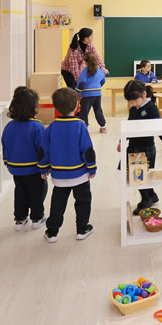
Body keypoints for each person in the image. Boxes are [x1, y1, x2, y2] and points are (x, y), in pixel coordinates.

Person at [39, 88, 96, 243]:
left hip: (59, 176)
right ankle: (82, 229)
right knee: (83, 202)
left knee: (57, 205)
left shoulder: (51, 127)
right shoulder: (80, 125)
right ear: (77, 105)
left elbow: (44, 150)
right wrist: (92, 168)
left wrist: (43, 168)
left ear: (56, 107)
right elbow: (87, 150)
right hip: (80, 175)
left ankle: (52, 232)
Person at [117, 80, 162, 214]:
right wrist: (122, 141)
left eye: (135, 101)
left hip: (146, 148)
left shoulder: (151, 108)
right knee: (136, 174)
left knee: (139, 177)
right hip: (134, 147)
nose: (133, 104)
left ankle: (146, 200)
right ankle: (151, 195)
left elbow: (158, 126)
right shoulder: (133, 109)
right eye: (130, 102)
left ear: (143, 94)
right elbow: (129, 126)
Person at [1, 86, 47, 231]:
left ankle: (20, 220)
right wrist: (45, 167)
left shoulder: (9, 126)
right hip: (34, 169)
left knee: (20, 192)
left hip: (15, 168)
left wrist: (7, 162)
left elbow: (5, 145)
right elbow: (42, 150)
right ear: (33, 107)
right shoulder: (37, 127)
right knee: (37, 192)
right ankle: (37, 218)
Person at [76, 52, 107, 133]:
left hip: (86, 95)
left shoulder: (85, 71)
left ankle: (84, 127)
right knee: (98, 110)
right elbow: (103, 81)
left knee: (84, 112)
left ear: (86, 62)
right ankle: (103, 126)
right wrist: (97, 87)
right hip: (97, 94)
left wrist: (76, 93)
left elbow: (81, 84)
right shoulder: (100, 71)